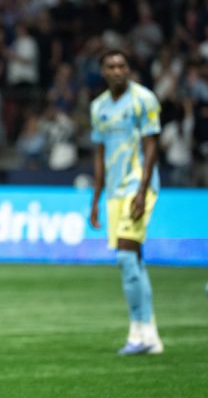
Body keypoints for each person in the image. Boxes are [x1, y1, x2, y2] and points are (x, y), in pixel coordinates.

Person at [89, 49, 164, 355]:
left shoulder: (144, 99)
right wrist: (95, 199)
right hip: (114, 191)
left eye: (122, 65)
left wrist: (142, 190)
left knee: (125, 256)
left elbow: (151, 146)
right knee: (134, 261)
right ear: (103, 72)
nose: (117, 70)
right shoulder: (99, 107)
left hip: (137, 186)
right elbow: (99, 154)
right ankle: (149, 335)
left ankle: (139, 333)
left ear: (128, 69)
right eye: (111, 66)